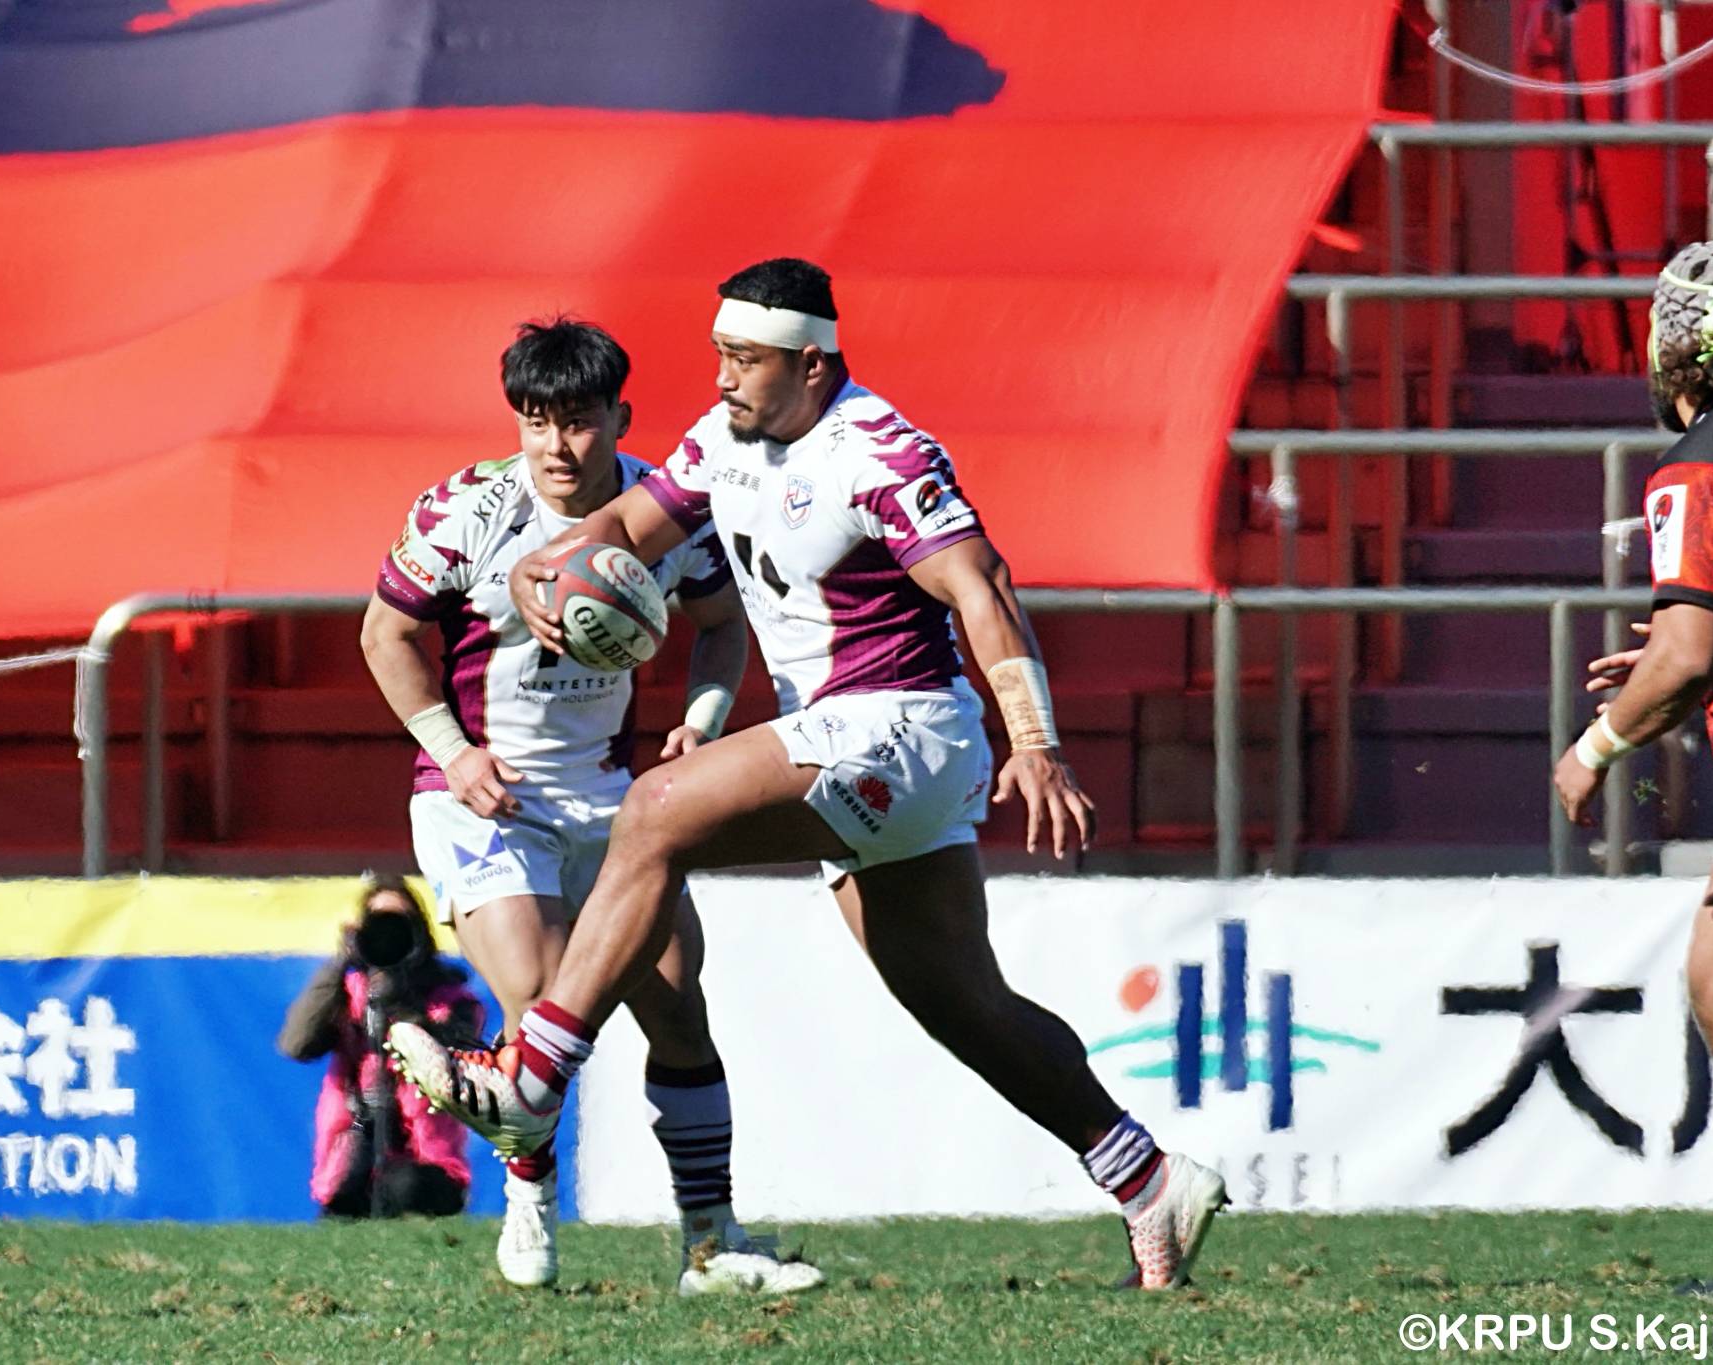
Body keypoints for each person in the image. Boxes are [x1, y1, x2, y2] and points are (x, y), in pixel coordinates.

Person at [387, 259, 1228, 1290]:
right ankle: (1146, 1177)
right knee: (959, 1000)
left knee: (653, 811)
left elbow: (981, 584)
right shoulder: (722, 438)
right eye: (719, 355)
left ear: (813, 366)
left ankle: (532, 1076)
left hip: (899, 728)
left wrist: (1035, 740)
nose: (723, 378)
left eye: (744, 360)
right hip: (843, 745)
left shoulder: (880, 451)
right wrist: (543, 567)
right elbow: (626, 526)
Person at [360, 317, 822, 1295]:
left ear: (619, 416)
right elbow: (383, 635)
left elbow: (720, 625)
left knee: (678, 1005)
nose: (556, 446)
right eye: (536, 422)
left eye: (576, 421)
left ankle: (711, 1243)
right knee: (535, 997)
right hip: (483, 801)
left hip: (612, 805)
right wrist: (455, 752)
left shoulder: (664, 511)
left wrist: (700, 722)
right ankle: (529, 1204)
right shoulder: (466, 511)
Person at [1559, 240, 1713, 1297]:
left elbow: (1689, 656)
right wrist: (1690, 646)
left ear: (1676, 350)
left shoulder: (1705, 462)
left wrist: (1595, 747)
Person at [278, 878, 484, 1219]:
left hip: (429, 1165)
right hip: (354, 1156)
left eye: (399, 923)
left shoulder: (451, 997)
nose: (388, 934)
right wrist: (342, 961)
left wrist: (403, 1004)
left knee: (405, 1187)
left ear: (419, 930)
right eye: (378, 923)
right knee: (344, 1201)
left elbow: (455, 1049)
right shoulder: (346, 993)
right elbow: (296, 1045)